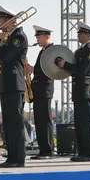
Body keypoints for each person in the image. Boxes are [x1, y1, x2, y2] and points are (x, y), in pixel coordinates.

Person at [55, 21, 90, 161]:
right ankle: (82, 152)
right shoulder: (79, 51)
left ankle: (89, 153)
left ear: (87, 35)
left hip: (85, 90)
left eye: (80, 33)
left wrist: (65, 65)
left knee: (86, 124)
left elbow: (81, 70)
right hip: (78, 90)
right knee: (79, 124)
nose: (78, 35)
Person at [0, 5, 28, 168]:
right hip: (6, 83)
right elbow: (1, 56)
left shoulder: (18, 36)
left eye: (1, 20)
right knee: (8, 122)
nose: (0, 23)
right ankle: (11, 157)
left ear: (11, 21)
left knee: (15, 122)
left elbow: (6, 56)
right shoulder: (8, 38)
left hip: (15, 83)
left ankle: (18, 158)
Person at [28, 25, 54, 159]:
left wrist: (32, 69)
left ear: (46, 37)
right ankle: (43, 149)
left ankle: (48, 150)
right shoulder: (42, 51)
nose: (37, 40)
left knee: (45, 121)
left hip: (45, 90)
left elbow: (49, 70)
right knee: (39, 121)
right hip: (38, 90)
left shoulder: (51, 51)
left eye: (39, 37)